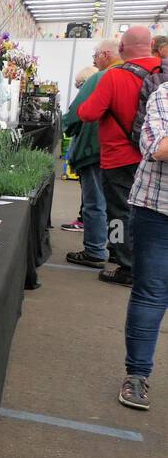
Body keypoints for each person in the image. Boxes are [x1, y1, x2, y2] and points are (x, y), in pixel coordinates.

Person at [78, 25, 162, 285]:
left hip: (120, 157)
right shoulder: (163, 71)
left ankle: (124, 264)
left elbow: (87, 113)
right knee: (153, 216)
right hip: (157, 158)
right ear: (151, 45)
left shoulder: (115, 76)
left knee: (119, 215)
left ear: (122, 49)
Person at [118, 82, 168, 410]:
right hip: (157, 210)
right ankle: (137, 374)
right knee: (151, 293)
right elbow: (160, 147)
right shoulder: (164, 94)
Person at [62, 40, 120, 266]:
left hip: (95, 150)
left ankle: (95, 251)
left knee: (94, 203)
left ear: (105, 55)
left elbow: (76, 114)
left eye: (95, 56)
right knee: (119, 207)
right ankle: (117, 248)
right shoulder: (135, 77)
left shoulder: (100, 77)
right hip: (123, 153)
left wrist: (68, 127)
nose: (94, 61)